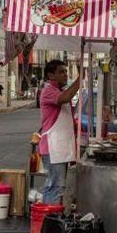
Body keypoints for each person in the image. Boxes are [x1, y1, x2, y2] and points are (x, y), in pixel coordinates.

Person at [38, 59, 81, 204]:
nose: (65, 75)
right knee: (54, 187)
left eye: (66, 72)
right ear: (51, 75)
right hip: (53, 148)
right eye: (61, 72)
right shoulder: (48, 91)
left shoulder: (58, 90)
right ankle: (49, 223)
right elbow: (66, 97)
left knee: (58, 188)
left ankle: (53, 221)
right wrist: (80, 78)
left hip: (60, 148)